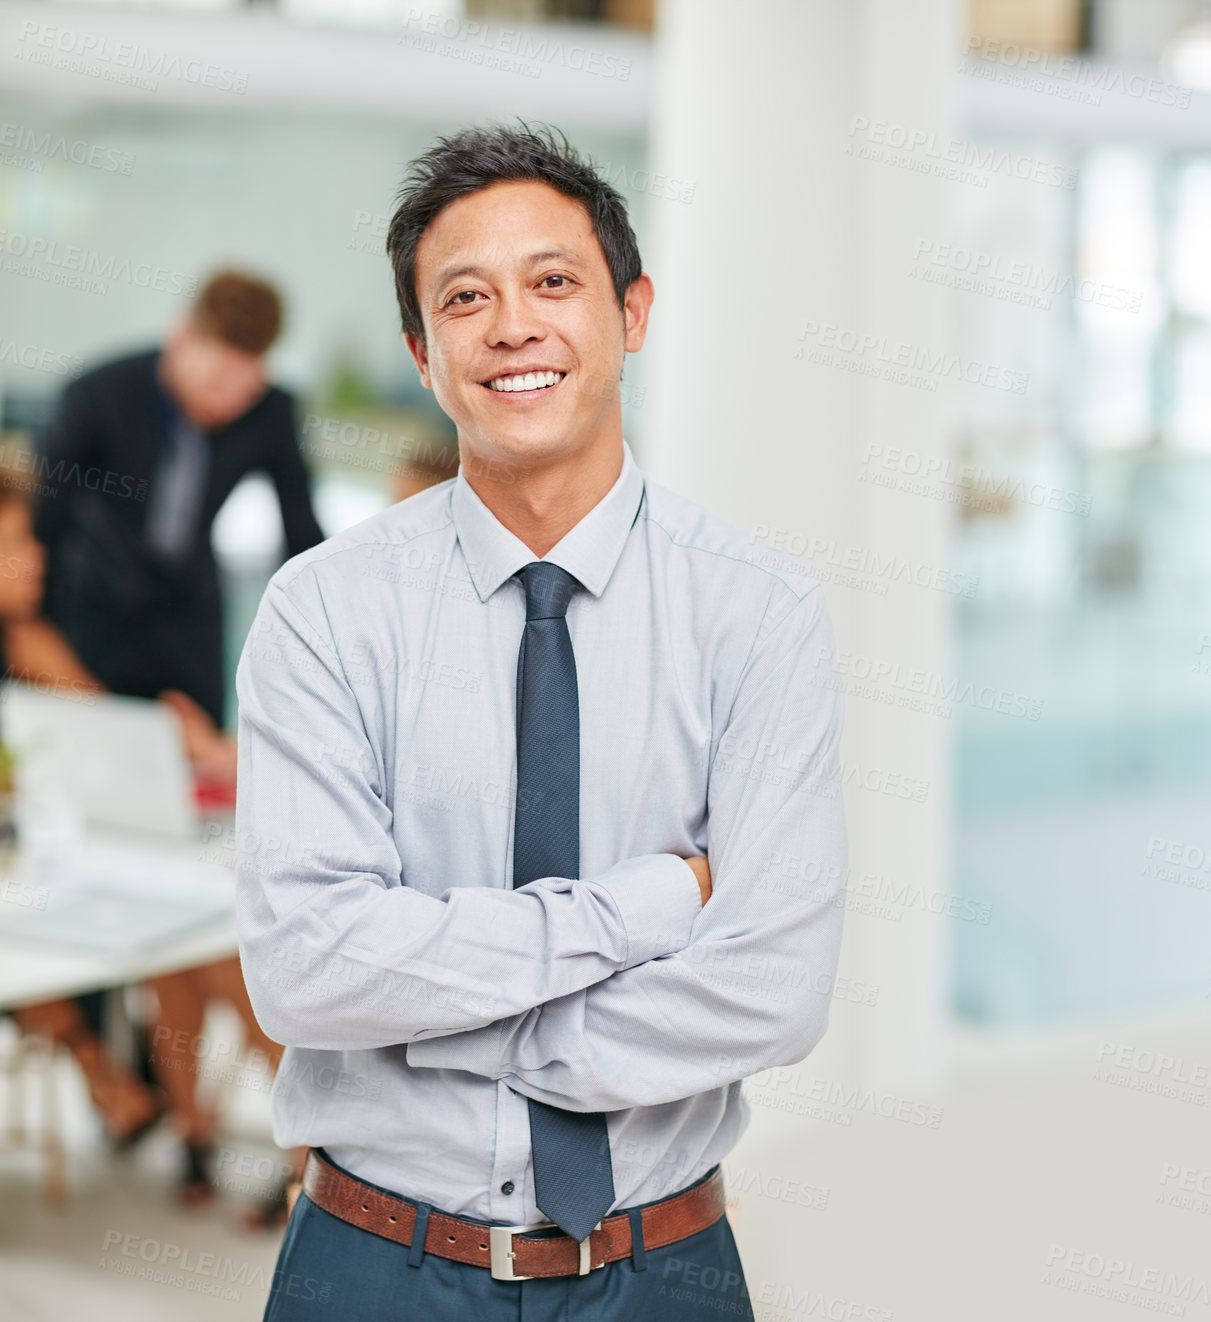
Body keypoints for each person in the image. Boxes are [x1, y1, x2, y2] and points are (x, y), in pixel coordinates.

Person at [237, 124, 847, 1321]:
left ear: (633, 312)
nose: (512, 325)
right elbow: (307, 971)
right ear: (424, 353)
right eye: (466, 297)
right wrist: (656, 902)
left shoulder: (760, 615)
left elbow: (775, 987)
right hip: (373, 1265)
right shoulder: (322, 612)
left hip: (663, 1270)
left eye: (553, 281)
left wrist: (440, 1020)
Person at [0, 457, 297, 1210]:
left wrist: (185, 751)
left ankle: (234, 1133)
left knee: (199, 942)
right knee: (199, 941)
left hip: (44, 872)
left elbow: (108, 740)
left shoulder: (27, 641)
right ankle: (282, 1140)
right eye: (18, 544)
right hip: (28, 894)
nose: (38, 557)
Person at [32, 270, 323, 727]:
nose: (226, 404)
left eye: (243, 389)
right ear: (181, 336)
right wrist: (31, 632)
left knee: (196, 771)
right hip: (91, 609)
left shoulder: (272, 412)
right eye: (215, 383)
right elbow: (41, 522)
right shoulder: (97, 395)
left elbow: (302, 533)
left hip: (189, 619)